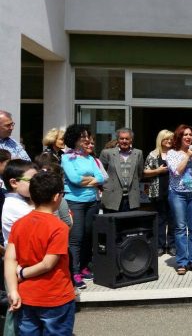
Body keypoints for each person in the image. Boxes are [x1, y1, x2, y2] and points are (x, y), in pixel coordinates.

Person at [4, 170, 76, 335]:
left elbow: (9, 259)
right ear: (57, 197)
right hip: (55, 297)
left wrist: (13, 291)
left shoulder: (19, 224)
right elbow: (47, 264)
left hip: (26, 296)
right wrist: (22, 273)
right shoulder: (59, 227)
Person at [60, 124, 104, 289]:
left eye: (88, 136)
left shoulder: (91, 158)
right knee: (76, 238)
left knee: (88, 236)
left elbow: (101, 177)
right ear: (75, 138)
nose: (87, 139)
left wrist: (90, 180)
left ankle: (85, 267)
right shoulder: (67, 158)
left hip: (92, 201)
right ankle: (75, 271)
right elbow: (74, 179)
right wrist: (91, 180)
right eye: (83, 136)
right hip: (75, 202)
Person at [167, 124, 192, 275]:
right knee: (180, 228)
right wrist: (187, 156)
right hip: (178, 193)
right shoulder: (172, 153)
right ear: (179, 137)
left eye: (190, 134)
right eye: (185, 134)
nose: (188, 137)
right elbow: (176, 172)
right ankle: (182, 262)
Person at [1, 159, 36, 336]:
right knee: (17, 309)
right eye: (33, 180)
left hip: (23, 263)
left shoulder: (24, 203)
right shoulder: (15, 206)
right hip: (17, 264)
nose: (38, 185)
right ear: (14, 183)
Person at [144, 129, 175, 256]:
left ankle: (172, 245)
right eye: (166, 139)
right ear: (160, 140)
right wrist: (158, 171)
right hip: (158, 192)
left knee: (173, 219)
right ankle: (160, 246)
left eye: (171, 139)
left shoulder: (176, 154)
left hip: (174, 191)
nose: (169, 141)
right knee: (160, 220)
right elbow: (144, 172)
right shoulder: (153, 155)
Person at [99, 128, 144, 213]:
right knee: (111, 225)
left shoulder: (138, 153)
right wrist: (106, 187)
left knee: (129, 225)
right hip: (112, 197)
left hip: (131, 198)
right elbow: (101, 174)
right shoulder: (107, 153)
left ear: (131, 140)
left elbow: (139, 174)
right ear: (117, 140)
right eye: (121, 138)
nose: (124, 141)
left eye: (127, 139)